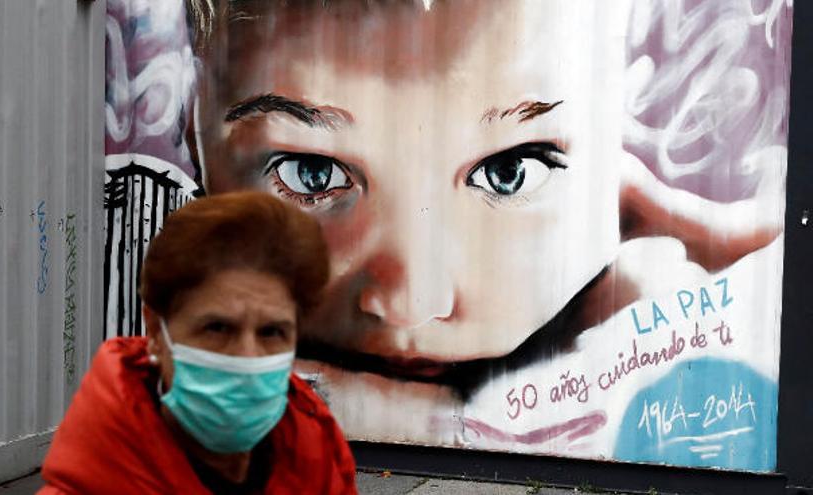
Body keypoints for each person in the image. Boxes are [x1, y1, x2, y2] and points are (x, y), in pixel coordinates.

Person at [188, 0, 786, 456]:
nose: (412, 303)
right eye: (312, 174)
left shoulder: (660, 294)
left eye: (509, 172)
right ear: (195, 139)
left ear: (613, 158)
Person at [38, 192, 357, 494]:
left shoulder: (318, 459)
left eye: (272, 332)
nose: (247, 357)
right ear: (156, 332)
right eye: (217, 327)